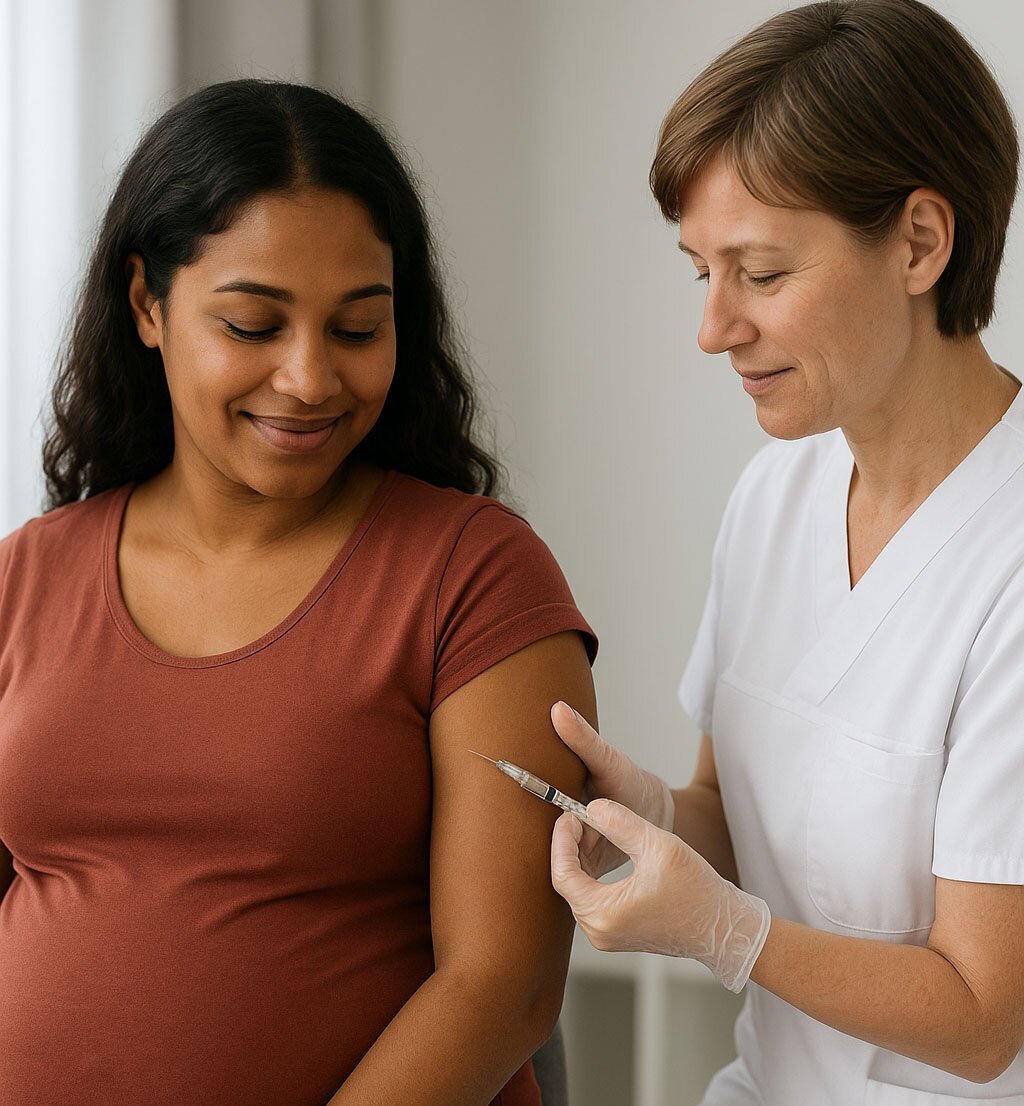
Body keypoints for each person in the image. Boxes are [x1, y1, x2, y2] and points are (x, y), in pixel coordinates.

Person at [0, 79, 597, 1106]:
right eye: (252, 323)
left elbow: (504, 985)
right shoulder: (24, 576)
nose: (311, 378)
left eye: (358, 329)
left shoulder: (474, 575)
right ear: (147, 303)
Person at [548, 1, 1024, 1102]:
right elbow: (739, 813)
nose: (713, 327)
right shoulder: (779, 490)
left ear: (918, 241)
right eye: (698, 271)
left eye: (759, 274)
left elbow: (982, 1017)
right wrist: (658, 816)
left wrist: (726, 933)